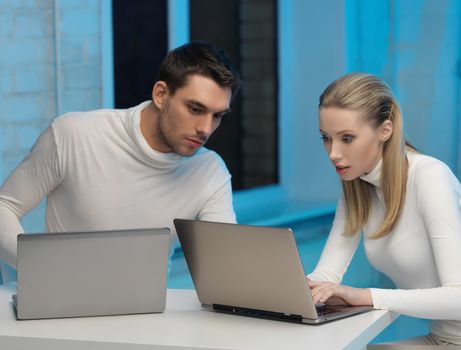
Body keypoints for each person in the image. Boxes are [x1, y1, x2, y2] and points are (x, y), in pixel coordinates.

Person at [0, 41, 242, 271]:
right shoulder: (73, 134)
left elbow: (222, 263)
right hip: (64, 305)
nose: (206, 129)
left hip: (151, 310)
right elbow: (4, 207)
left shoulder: (210, 171)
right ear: (160, 95)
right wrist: (39, 268)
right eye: (195, 109)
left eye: (217, 116)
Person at [307, 73, 461, 346]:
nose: (333, 152)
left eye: (347, 138)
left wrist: (367, 295)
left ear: (385, 130)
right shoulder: (356, 185)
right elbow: (326, 276)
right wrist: (289, 291)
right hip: (444, 340)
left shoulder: (429, 176)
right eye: (326, 138)